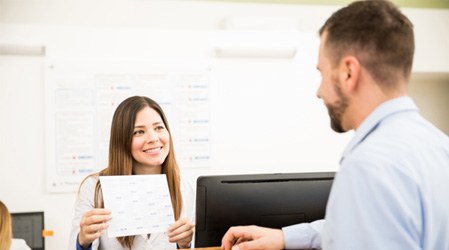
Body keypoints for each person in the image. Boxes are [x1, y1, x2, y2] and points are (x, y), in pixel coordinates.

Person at [221, 1, 449, 249]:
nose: (319, 92)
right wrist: (286, 237)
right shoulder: (440, 147)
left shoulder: (369, 166)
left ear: (348, 73)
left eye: (322, 74)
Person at [69, 96, 195, 249]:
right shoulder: (94, 188)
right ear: (122, 140)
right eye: (139, 132)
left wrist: (184, 245)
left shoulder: (188, 189)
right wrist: (83, 241)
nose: (153, 138)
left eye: (159, 128)